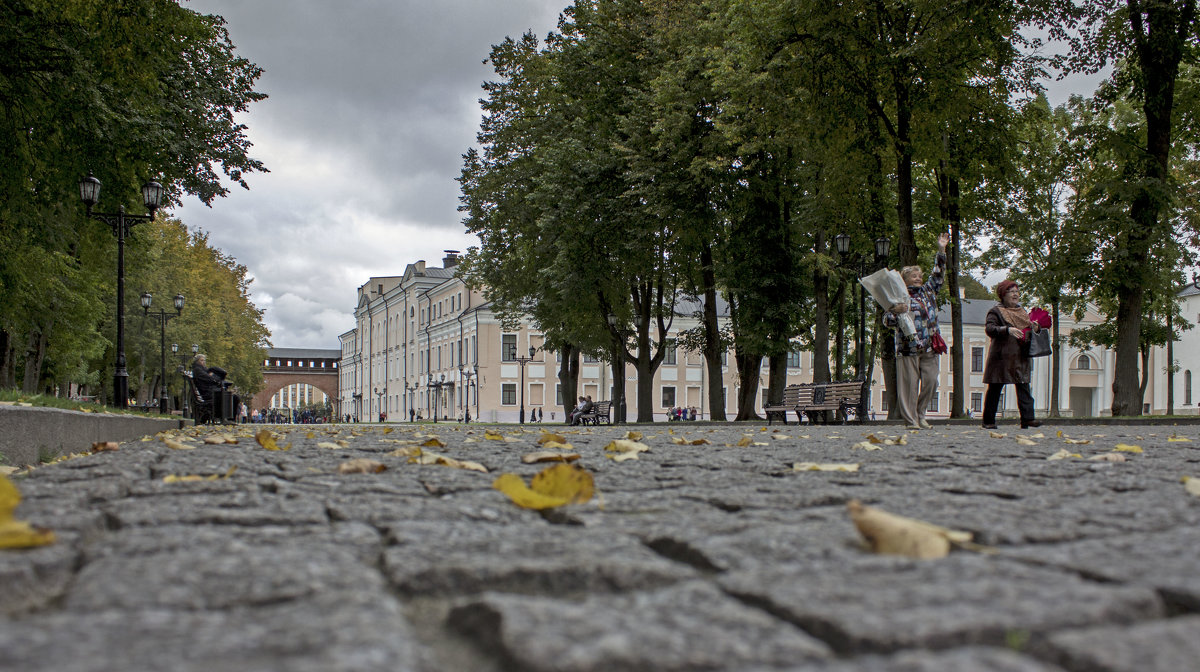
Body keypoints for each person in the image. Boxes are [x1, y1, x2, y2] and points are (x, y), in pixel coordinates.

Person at [881, 232, 949, 430]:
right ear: (905, 279)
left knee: (931, 382)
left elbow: (938, 274)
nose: (919, 278)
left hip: (930, 345)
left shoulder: (928, 291)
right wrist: (895, 311)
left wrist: (941, 250)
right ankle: (911, 421)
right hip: (907, 348)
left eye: (920, 275)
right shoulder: (898, 297)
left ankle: (921, 414)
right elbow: (887, 320)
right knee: (909, 386)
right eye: (914, 275)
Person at [981, 279, 1043, 430]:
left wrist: (1036, 328)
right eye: (1012, 291)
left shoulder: (1022, 312)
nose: (1015, 294)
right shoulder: (996, 311)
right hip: (1001, 357)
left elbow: (1029, 331)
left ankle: (1028, 419)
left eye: (1017, 291)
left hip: (1020, 356)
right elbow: (989, 329)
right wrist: (1007, 330)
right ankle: (988, 421)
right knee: (995, 389)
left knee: (1024, 388)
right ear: (1003, 294)